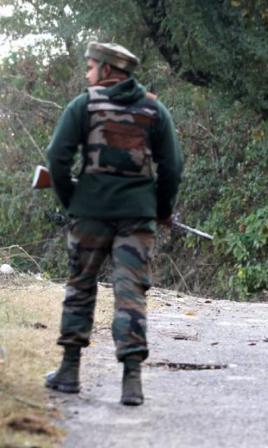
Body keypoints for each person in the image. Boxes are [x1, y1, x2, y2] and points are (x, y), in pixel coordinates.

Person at [44, 42, 183, 406]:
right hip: (137, 216)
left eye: (90, 67)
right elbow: (173, 167)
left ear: (106, 71)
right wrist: (162, 208)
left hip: (90, 212)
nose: (87, 74)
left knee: (80, 288)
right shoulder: (153, 108)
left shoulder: (85, 104)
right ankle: (132, 381)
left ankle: (70, 371)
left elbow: (57, 158)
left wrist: (71, 200)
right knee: (130, 293)